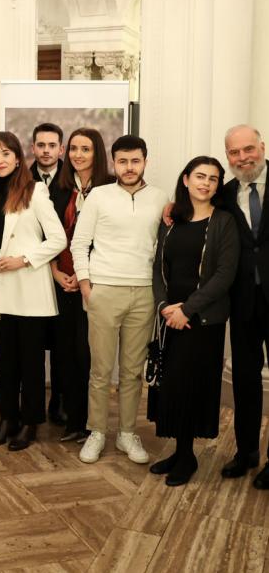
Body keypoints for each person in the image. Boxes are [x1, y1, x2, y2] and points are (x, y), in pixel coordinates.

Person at [71, 135, 168, 465]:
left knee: (131, 371)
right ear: (113, 163)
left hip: (143, 292)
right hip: (104, 291)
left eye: (135, 161)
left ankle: (127, 433)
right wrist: (86, 285)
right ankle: (96, 431)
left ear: (145, 161)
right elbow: (79, 243)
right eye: (123, 161)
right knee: (100, 370)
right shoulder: (99, 196)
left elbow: (164, 247)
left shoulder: (160, 199)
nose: (129, 167)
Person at [149, 156, 239, 486]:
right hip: (170, 317)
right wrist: (164, 307)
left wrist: (187, 309)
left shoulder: (224, 222)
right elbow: (158, 268)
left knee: (193, 387)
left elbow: (224, 275)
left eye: (213, 179)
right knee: (172, 386)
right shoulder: (171, 220)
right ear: (185, 179)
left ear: (218, 186)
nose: (205, 183)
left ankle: (187, 458)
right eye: (200, 176)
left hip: (202, 321)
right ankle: (178, 450)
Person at [0, 132, 67, 451]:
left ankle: (30, 422)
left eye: (6, 154)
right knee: (7, 362)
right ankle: (7, 419)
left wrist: (23, 260)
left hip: (29, 289)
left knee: (30, 362)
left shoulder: (36, 191)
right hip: (0, 291)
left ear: (18, 158)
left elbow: (58, 239)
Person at [50, 128, 114, 442]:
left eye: (85, 149)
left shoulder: (112, 188)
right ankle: (73, 421)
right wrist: (54, 271)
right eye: (73, 148)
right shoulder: (58, 190)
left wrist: (86, 274)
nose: (77, 154)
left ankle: (94, 423)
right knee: (66, 354)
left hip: (97, 283)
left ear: (97, 153)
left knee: (91, 355)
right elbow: (44, 234)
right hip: (63, 282)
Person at [219, 125, 269, 487]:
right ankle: (246, 451)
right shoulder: (225, 195)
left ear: (262, 147)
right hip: (242, 303)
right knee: (245, 379)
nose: (242, 158)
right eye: (234, 153)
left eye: (248, 149)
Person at [29, 122, 66, 426]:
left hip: (64, 272)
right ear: (32, 148)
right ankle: (31, 403)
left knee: (62, 342)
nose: (45, 150)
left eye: (51, 145)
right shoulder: (21, 179)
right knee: (32, 343)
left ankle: (60, 400)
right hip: (30, 272)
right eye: (40, 145)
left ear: (60, 149)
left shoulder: (72, 181)